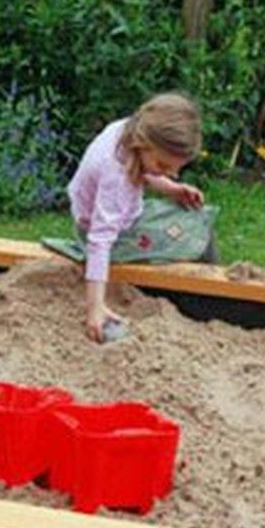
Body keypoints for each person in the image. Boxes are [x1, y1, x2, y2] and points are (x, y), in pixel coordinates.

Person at [43, 92, 218, 342]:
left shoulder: (129, 129)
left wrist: (172, 189)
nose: (172, 174)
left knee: (193, 216)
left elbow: (144, 170)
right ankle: (213, 297)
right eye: (164, 166)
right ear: (143, 143)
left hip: (115, 213)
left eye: (174, 169)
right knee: (197, 229)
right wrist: (95, 308)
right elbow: (100, 241)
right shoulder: (116, 180)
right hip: (116, 235)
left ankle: (213, 284)